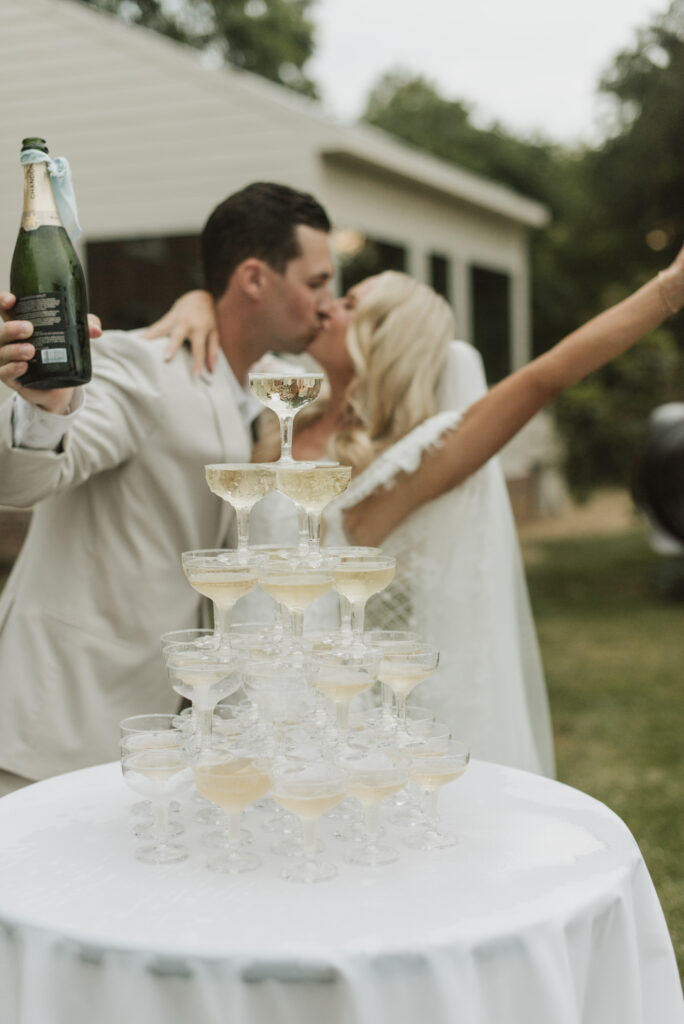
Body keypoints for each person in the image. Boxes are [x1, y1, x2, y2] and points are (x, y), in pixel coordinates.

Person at [152, 244, 684, 776]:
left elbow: (542, 380)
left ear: (387, 337)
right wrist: (198, 299)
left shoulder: (405, 463)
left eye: (351, 304)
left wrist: (667, 290)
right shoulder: (282, 410)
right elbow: (236, 329)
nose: (327, 307)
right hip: (232, 690)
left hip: (311, 712)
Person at [0, 181, 335, 795]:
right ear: (256, 278)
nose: (326, 303)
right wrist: (44, 405)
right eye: (316, 282)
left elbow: (329, 385)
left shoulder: (273, 384)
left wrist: (201, 300)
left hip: (172, 735)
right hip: (62, 719)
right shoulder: (138, 367)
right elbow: (24, 478)